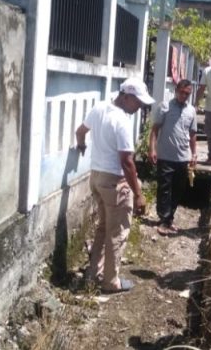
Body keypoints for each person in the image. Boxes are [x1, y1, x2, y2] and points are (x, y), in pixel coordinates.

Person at [75, 77, 154, 293]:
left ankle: (94, 274)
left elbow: (80, 132)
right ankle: (111, 282)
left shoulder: (99, 108)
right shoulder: (122, 122)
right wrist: (138, 194)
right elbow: (127, 162)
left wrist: (81, 146)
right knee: (117, 232)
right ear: (126, 97)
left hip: (97, 178)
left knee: (103, 227)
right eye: (137, 103)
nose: (139, 108)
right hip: (114, 182)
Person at [149, 80, 198, 235]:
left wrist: (194, 153)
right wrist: (152, 149)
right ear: (176, 90)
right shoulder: (165, 107)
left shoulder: (191, 111)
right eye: (182, 92)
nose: (184, 96)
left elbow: (193, 134)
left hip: (183, 157)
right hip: (165, 155)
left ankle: (169, 218)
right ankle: (164, 220)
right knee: (164, 188)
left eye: (187, 94)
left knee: (178, 189)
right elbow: (155, 129)